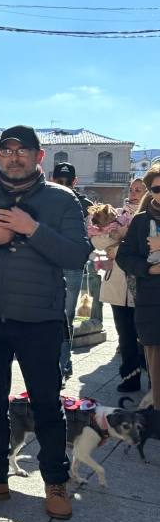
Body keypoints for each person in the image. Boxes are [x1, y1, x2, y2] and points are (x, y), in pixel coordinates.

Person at [0, 125, 90, 520]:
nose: (14, 157)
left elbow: (77, 255)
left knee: (46, 404)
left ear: (38, 157)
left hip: (40, 319)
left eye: (22, 150)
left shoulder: (62, 201)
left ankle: (55, 482)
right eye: (6, 150)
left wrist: (32, 230)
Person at [96, 178, 147, 392]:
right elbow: (98, 242)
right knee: (124, 334)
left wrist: (119, 243)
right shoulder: (115, 214)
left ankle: (152, 377)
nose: (134, 193)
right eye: (132, 189)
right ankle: (130, 378)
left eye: (140, 189)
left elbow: (143, 248)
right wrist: (113, 238)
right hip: (118, 286)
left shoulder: (149, 216)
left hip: (144, 286)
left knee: (145, 335)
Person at [117, 164, 160, 410]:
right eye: (156, 188)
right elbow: (125, 257)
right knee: (157, 369)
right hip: (152, 303)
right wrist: (149, 269)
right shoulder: (141, 221)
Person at [52, 161, 95, 379]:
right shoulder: (46, 200)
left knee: (63, 318)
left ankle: (61, 364)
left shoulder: (85, 205)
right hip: (58, 267)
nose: (64, 184)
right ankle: (61, 364)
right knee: (59, 318)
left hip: (68, 267)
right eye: (61, 181)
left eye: (66, 181)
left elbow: (93, 238)